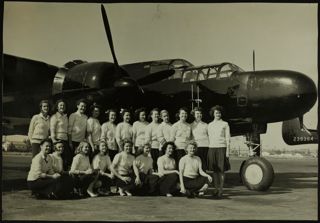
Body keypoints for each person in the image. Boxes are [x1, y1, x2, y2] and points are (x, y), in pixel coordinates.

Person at [207, 105, 230, 198]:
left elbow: (227, 138)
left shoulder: (225, 124)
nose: (218, 114)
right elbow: (209, 137)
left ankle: (221, 189)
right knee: (214, 171)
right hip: (212, 148)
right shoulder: (210, 125)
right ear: (213, 114)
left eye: (219, 113)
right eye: (216, 113)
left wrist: (227, 151)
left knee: (221, 170)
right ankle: (216, 188)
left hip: (221, 147)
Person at [50, 99, 71, 170]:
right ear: (57, 107)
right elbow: (52, 129)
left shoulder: (65, 117)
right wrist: (54, 141)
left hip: (65, 140)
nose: (62, 106)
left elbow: (68, 130)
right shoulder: (54, 117)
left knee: (66, 160)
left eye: (64, 105)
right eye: (60, 105)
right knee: (56, 159)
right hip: (58, 140)